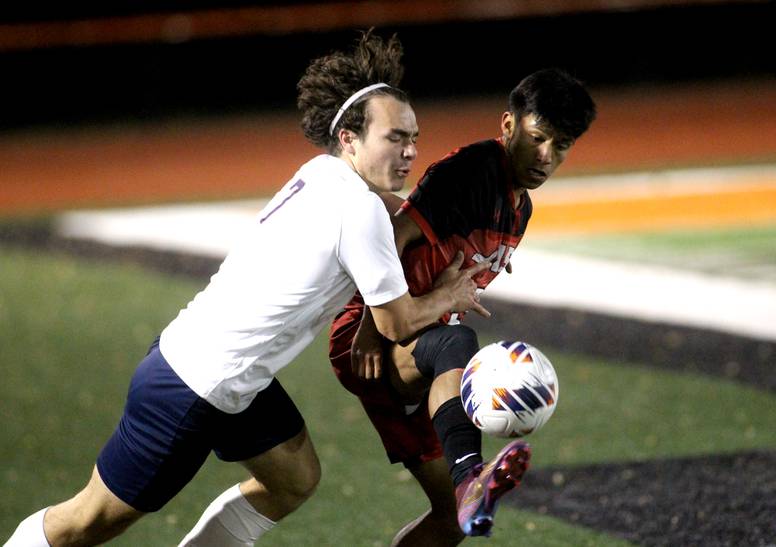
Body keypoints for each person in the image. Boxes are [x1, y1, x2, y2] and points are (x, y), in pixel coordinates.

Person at [4, 30, 491, 547]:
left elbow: (374, 233)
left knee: (294, 477)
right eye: (395, 137)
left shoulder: (322, 173)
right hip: (195, 385)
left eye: (413, 137)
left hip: (228, 374)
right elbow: (395, 322)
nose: (411, 150)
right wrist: (448, 295)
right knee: (89, 520)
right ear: (349, 138)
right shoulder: (360, 208)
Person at [329, 68, 597, 543]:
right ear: (508, 125)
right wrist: (372, 329)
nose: (545, 156)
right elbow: (394, 235)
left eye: (561, 145)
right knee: (457, 341)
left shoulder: (521, 205)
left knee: (452, 518)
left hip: (422, 347)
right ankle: (472, 475)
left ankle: (467, 485)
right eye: (537, 138)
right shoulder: (472, 171)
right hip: (375, 331)